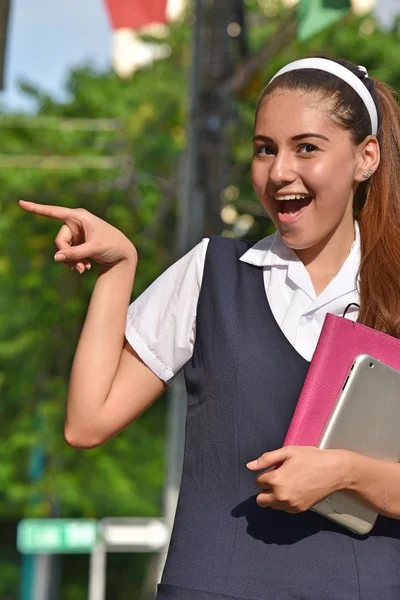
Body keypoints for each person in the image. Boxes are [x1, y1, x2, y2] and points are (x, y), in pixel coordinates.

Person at [20, 56, 400, 599]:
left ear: (366, 158)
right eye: (265, 148)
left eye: (306, 148)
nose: (279, 171)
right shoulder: (209, 272)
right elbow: (87, 423)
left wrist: (343, 473)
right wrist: (117, 270)